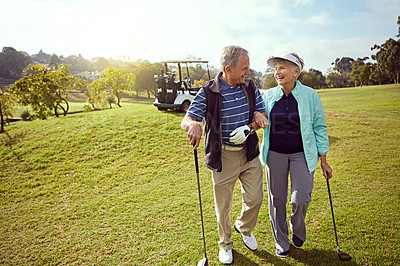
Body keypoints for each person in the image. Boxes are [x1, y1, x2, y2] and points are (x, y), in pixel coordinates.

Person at [181, 46, 269, 264]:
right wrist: (193, 126)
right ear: (228, 69)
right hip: (223, 157)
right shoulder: (208, 92)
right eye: (244, 68)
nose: (248, 72)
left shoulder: (249, 86)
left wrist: (251, 125)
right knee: (223, 206)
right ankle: (225, 244)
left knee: (256, 198)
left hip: (248, 154)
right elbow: (187, 119)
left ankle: (244, 227)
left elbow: (262, 114)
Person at [254, 52, 332, 257]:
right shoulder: (268, 95)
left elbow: (319, 127)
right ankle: (281, 241)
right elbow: (258, 116)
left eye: (282, 67)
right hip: (275, 154)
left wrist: (324, 159)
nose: (277, 72)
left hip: (302, 154)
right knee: (277, 199)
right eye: (275, 68)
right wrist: (258, 118)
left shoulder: (311, 95)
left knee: (301, 198)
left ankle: (297, 227)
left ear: (296, 72)